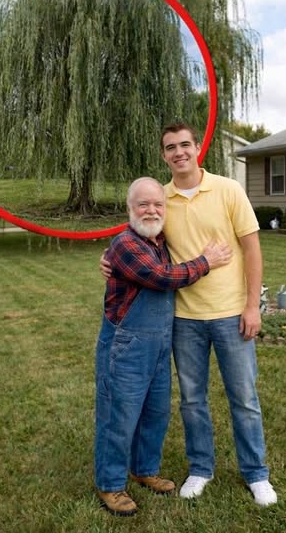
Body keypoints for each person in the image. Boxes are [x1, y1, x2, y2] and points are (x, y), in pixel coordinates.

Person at [101, 123, 277, 508]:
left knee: (244, 398)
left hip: (231, 314)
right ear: (164, 155)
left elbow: (252, 249)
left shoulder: (228, 190)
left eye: (185, 144)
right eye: (170, 147)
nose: (179, 152)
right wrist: (110, 257)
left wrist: (252, 306)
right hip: (183, 318)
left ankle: (256, 473)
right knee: (192, 400)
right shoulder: (160, 198)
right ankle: (201, 468)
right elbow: (138, 239)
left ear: (198, 147)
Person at [95, 176, 232, 517]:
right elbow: (163, 277)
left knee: (155, 413)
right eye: (143, 204)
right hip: (127, 346)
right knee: (119, 416)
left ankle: (144, 469)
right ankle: (110, 483)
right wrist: (206, 261)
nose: (151, 210)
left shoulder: (160, 242)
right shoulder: (126, 245)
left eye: (158, 204)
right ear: (130, 209)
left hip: (158, 344)